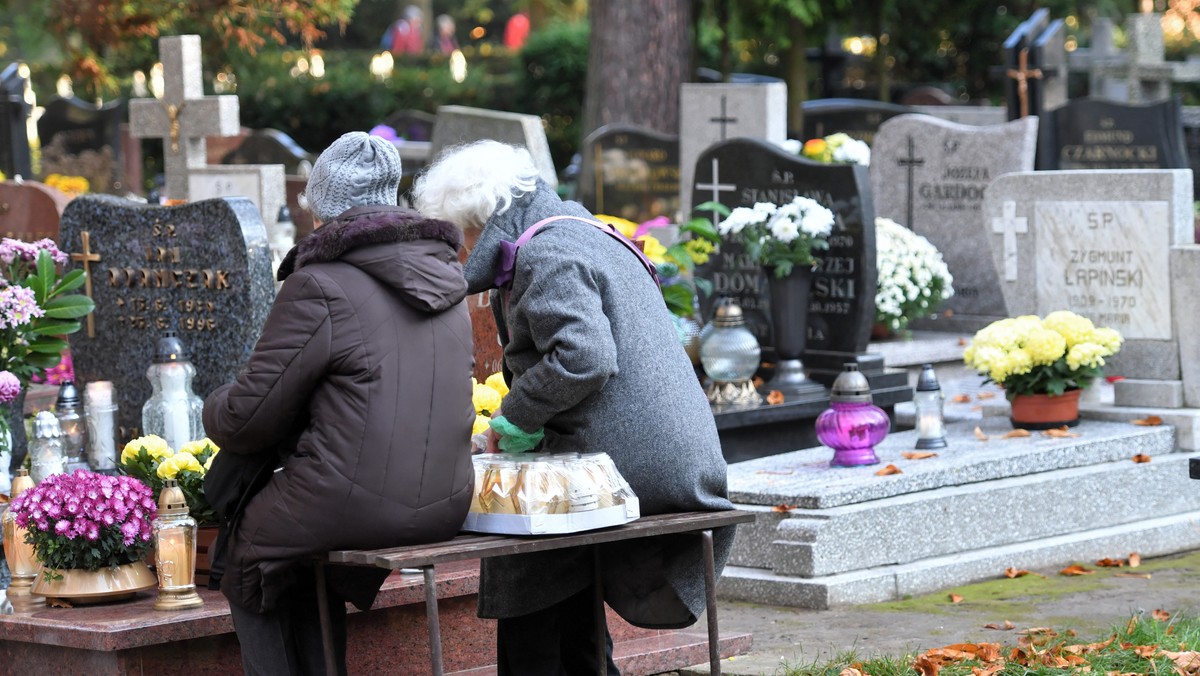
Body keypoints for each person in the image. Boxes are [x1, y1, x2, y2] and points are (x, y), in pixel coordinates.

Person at [412, 141, 735, 675]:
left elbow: (584, 358)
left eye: (455, 237)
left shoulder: (547, 250)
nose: (457, 251)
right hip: (672, 456)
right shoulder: (578, 229)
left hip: (638, 465)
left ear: (477, 221)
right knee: (544, 532)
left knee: (522, 528)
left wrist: (513, 418)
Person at [203, 131, 475, 675]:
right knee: (300, 556)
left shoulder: (320, 284)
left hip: (352, 501)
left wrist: (212, 403)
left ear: (323, 204)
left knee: (245, 552)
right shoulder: (448, 277)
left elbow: (247, 419)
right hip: (447, 500)